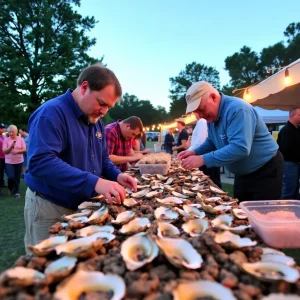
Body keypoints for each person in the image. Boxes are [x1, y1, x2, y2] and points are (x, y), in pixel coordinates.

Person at [24, 64, 137, 249]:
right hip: (50, 206)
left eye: (108, 107)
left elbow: (103, 159)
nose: (103, 112)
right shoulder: (52, 113)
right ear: (84, 87)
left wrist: (117, 175)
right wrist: (94, 182)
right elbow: (40, 162)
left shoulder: (96, 121)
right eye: (101, 103)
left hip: (82, 206)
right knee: (47, 267)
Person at [178, 81, 284, 202]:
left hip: (265, 171)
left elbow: (240, 148)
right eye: (196, 112)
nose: (200, 115)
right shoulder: (212, 117)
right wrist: (195, 152)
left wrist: (202, 159)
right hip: (243, 173)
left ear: (213, 97)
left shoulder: (237, 109)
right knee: (242, 212)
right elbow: (212, 141)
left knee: (263, 214)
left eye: (201, 109)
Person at [188, 118, 222, 188]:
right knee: (209, 183)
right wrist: (192, 151)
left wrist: (191, 151)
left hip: (207, 158)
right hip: (206, 157)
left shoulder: (202, 121)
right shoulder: (205, 122)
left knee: (212, 183)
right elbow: (209, 141)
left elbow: (201, 141)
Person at [277, 108, 300, 199]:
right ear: (292, 116)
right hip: (289, 163)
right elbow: (286, 150)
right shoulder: (286, 130)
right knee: (290, 187)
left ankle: (295, 208)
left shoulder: (297, 129)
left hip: (295, 163)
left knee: (296, 187)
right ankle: (284, 208)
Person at [2, 125, 26, 198]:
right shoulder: (6, 140)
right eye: (10, 132)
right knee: (11, 177)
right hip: (9, 161)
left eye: (12, 132)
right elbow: (4, 151)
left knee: (17, 177)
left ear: (16, 132)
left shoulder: (21, 139)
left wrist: (17, 151)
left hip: (19, 161)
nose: (11, 133)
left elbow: (24, 149)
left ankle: (16, 192)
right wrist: (11, 146)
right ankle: (10, 188)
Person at [0, 123, 6, 188]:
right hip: (0, 157)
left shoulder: (4, 136)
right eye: (1, 128)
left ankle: (2, 183)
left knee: (2, 171)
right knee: (0, 171)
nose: (3, 129)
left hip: (5, 156)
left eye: (3, 128)